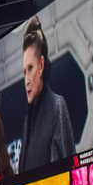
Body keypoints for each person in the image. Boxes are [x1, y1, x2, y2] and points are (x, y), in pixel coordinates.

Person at [20, 15, 74, 172]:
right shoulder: (26, 123)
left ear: (41, 64)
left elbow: (67, 167)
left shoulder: (57, 106)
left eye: (30, 68)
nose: (26, 80)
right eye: (24, 72)